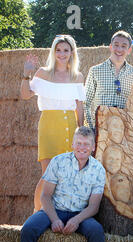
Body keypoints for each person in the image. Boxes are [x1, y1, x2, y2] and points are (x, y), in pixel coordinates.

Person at [14, 127, 114, 242]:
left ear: (93, 146)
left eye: (86, 144)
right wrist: (54, 219)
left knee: (96, 231)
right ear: (73, 144)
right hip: (54, 209)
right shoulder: (58, 162)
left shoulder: (98, 169)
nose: (82, 147)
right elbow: (45, 196)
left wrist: (76, 220)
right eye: (79, 143)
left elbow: (94, 207)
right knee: (28, 229)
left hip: (81, 213)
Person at [20, 34, 85, 213]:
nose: (62, 54)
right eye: (58, 50)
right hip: (49, 125)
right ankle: (37, 213)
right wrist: (26, 74)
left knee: (67, 176)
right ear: (53, 51)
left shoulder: (77, 77)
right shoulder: (43, 73)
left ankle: (60, 213)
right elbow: (25, 95)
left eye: (65, 50)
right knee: (48, 174)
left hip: (70, 127)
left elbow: (79, 106)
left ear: (72, 52)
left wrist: (82, 130)